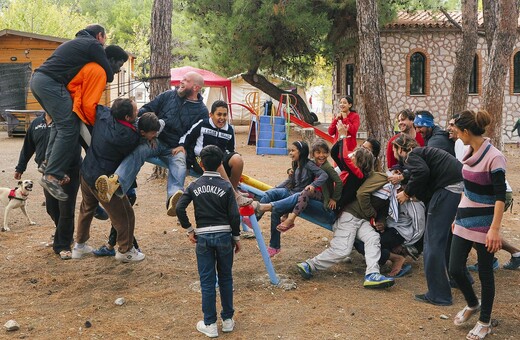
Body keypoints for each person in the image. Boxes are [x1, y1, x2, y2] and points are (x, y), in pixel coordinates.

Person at [95, 71, 210, 217]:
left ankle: (174, 199)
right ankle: (115, 184)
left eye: (186, 81)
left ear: (195, 87)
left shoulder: (201, 111)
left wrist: (185, 148)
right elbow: (147, 109)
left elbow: (198, 135)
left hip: (175, 147)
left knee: (180, 162)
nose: (181, 82)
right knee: (139, 151)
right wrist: (146, 128)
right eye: (182, 79)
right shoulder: (168, 95)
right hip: (157, 140)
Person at [30, 24, 113, 201]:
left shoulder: (76, 43)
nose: (104, 44)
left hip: (38, 81)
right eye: (104, 39)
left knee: (61, 124)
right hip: (50, 83)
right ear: (100, 35)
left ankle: (47, 163)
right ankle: (51, 176)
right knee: (69, 127)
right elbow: (109, 72)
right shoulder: (93, 44)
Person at [296, 141, 396, 288]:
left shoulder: (364, 175)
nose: (351, 157)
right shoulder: (359, 174)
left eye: (354, 156)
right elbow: (339, 153)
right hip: (349, 216)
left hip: (360, 219)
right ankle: (309, 265)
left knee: (373, 238)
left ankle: (372, 274)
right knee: (342, 250)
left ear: (359, 161)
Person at [73, 100, 160, 262]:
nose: (138, 112)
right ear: (127, 117)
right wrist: (150, 137)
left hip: (86, 172)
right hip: (103, 181)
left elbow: (96, 106)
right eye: (135, 111)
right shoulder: (129, 136)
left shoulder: (103, 115)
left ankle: (79, 246)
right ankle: (125, 250)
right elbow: (141, 141)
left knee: (86, 209)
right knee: (125, 215)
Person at [448, 110, 506, 340]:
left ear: (466, 131)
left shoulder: (495, 157)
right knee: (454, 268)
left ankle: (485, 322)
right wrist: (456, 217)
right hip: (464, 218)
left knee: (485, 273)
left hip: (485, 223)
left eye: (457, 131)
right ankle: (473, 303)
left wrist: (494, 229)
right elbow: (467, 190)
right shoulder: (468, 151)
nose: (455, 134)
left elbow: (500, 197)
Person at [176, 145, 240, 338]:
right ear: (221, 163)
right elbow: (234, 215)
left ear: (200, 164)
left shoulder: (194, 186)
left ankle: (210, 323)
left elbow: (179, 208)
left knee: (207, 281)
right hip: (224, 236)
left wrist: (189, 230)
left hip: (203, 236)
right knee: (226, 277)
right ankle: (228, 320)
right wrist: (236, 237)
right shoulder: (227, 186)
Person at [393, 134, 463, 306]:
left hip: (448, 190)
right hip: (454, 188)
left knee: (432, 243)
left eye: (395, 150)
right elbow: (426, 172)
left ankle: (439, 295)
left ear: (401, 149)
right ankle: (459, 279)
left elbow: (422, 172)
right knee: (446, 239)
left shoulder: (412, 155)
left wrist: (407, 193)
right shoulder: (423, 152)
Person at [14, 112, 81, 260]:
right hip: (47, 173)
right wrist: (20, 167)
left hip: (68, 172)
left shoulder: (66, 122)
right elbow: (28, 146)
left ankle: (63, 245)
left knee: (66, 209)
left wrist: (70, 167)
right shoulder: (37, 123)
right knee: (51, 207)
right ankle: (62, 233)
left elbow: (77, 145)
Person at [253, 141, 327, 257]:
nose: (290, 153)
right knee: (270, 194)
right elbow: (290, 181)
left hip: (299, 196)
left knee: (276, 208)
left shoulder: (308, 164)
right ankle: (255, 219)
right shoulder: (295, 164)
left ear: (301, 152)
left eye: (293, 151)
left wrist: (313, 185)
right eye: (290, 151)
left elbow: (324, 175)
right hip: (291, 192)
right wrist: (276, 188)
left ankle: (274, 245)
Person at [177, 100, 252, 206]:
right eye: (219, 114)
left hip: (220, 158)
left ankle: (233, 190)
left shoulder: (229, 129)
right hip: (202, 159)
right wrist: (181, 146)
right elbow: (187, 136)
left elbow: (231, 149)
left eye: (225, 115)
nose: (222, 118)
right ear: (211, 115)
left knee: (237, 159)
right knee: (215, 160)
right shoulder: (203, 124)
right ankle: (235, 196)